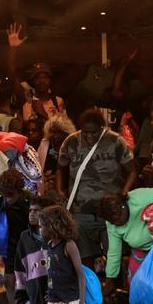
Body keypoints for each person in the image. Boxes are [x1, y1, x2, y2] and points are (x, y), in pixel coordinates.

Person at [56, 108, 137, 266]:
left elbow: (132, 171)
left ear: (101, 129)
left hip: (110, 209)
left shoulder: (115, 141)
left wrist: (124, 192)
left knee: (114, 255)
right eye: (85, 132)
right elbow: (61, 168)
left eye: (94, 132)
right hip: (80, 209)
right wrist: (60, 190)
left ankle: (114, 287)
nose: (89, 136)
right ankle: (89, 288)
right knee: (84, 257)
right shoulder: (71, 142)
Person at [5, 195, 57, 304]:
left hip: (55, 296)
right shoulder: (25, 238)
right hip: (35, 295)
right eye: (31, 210)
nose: (32, 214)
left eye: (37, 211)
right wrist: (21, 296)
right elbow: (20, 270)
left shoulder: (56, 238)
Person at [39, 205, 86, 304]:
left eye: (42, 225)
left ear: (52, 225)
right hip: (54, 299)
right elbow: (53, 272)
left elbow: (80, 275)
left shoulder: (69, 245)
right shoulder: (49, 245)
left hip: (71, 300)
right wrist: (51, 289)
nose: (39, 229)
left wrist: (81, 302)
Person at [0, 168, 31, 304]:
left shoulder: (27, 202)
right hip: (10, 245)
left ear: (19, 190)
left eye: (10, 195)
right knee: (8, 281)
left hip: (27, 246)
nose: (8, 198)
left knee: (29, 282)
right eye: (5, 194)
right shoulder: (2, 199)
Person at [6, 23, 65, 121]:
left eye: (45, 77)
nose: (42, 81)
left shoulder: (58, 101)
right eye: (38, 77)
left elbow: (63, 127)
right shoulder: (26, 98)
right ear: (32, 81)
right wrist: (13, 49)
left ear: (50, 80)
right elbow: (11, 74)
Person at [36, 114, 76, 196]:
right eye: (53, 131)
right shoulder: (44, 144)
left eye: (59, 131)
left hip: (68, 189)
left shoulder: (72, 145)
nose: (56, 135)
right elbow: (38, 167)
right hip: (46, 189)